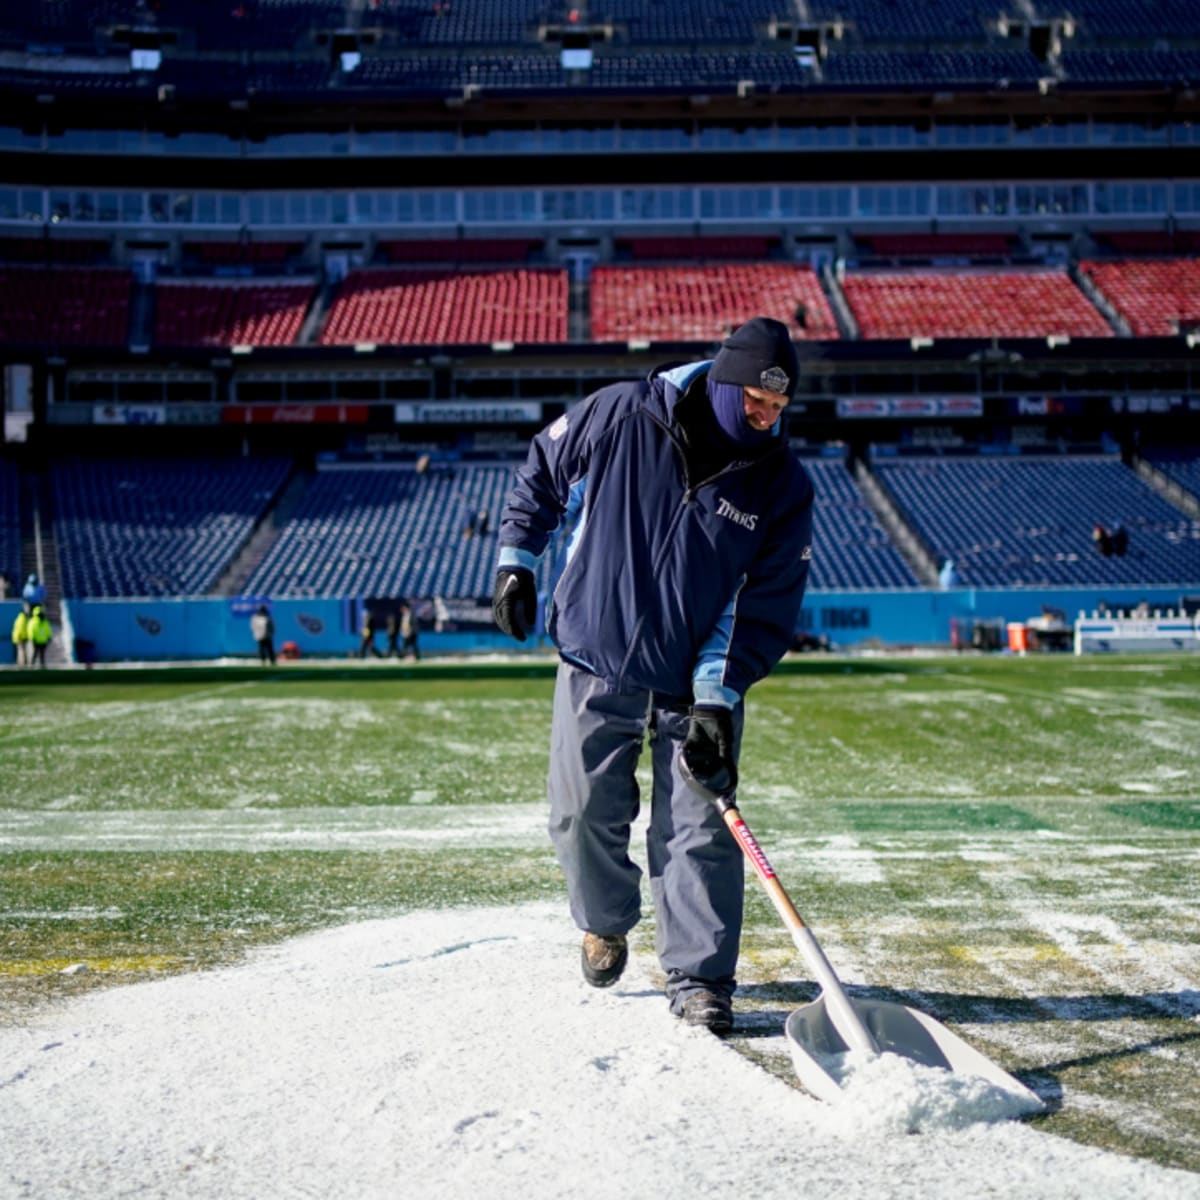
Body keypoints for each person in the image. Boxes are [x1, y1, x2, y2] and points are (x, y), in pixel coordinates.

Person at [492, 316, 815, 1035]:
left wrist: (716, 699)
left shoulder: (782, 485)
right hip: (595, 650)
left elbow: (762, 606)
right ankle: (604, 922)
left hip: (693, 680)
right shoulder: (622, 411)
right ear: (726, 381)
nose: (766, 419)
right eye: (757, 403)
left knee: (699, 828)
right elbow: (542, 472)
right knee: (580, 812)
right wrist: (518, 560)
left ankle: (700, 978)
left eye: (779, 408)